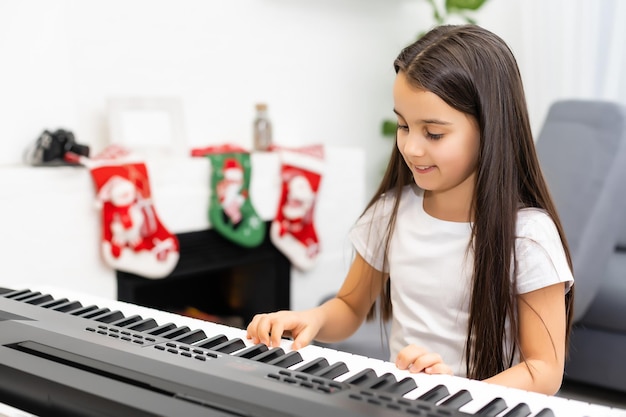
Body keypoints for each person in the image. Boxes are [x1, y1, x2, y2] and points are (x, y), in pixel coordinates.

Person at [246, 24, 574, 396]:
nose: (411, 148)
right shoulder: (391, 214)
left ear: (490, 128)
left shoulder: (527, 237)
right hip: (409, 403)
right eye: (403, 126)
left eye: (433, 133)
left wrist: (457, 393)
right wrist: (313, 318)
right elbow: (351, 308)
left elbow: (544, 369)